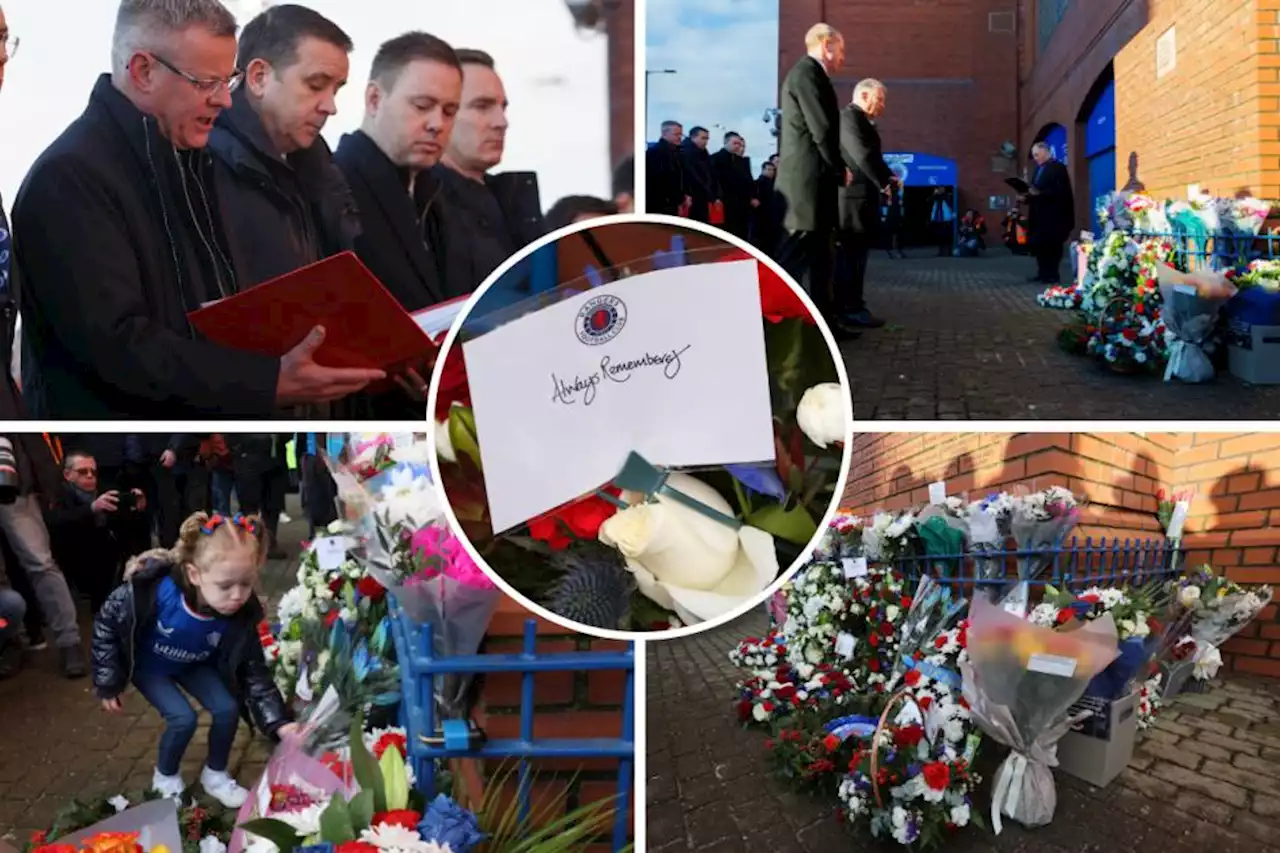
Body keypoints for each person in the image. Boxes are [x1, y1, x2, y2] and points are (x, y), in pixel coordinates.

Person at [12, 0, 384, 418]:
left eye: (228, 80)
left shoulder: (185, 158)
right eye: (207, 82)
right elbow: (117, 346)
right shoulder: (70, 178)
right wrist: (264, 381)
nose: (225, 100)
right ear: (144, 71)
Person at [92, 511, 299, 806]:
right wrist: (108, 680)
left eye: (247, 583)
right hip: (151, 667)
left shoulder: (242, 615)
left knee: (227, 709)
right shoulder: (152, 591)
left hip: (193, 663)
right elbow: (106, 625)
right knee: (183, 718)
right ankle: (165, 777)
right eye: (226, 586)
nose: (238, 596)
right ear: (194, 574)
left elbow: (255, 671)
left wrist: (279, 722)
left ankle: (215, 774)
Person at [206, 5, 358, 289]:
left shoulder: (318, 159)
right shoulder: (206, 162)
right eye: (316, 85)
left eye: (336, 90)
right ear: (259, 77)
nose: (330, 107)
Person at [334, 32, 462, 312]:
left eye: (450, 111)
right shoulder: (330, 189)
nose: (437, 124)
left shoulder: (439, 194)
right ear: (374, 99)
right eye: (422, 106)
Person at [436, 49, 546, 294]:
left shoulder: (513, 201)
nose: (501, 122)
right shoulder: (423, 207)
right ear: (442, 112)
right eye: (482, 106)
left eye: (502, 107)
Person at [774, 23, 848, 335]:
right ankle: (777, 327)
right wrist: (838, 165)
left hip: (814, 185)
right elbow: (822, 128)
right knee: (793, 260)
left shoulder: (811, 75)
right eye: (841, 50)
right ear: (826, 44)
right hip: (805, 187)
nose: (843, 58)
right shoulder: (806, 74)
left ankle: (824, 326)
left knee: (822, 259)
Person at [43, 449, 147, 615]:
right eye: (83, 472)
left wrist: (135, 506)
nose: (90, 476)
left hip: (101, 556)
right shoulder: (57, 494)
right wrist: (91, 509)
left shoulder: (104, 490)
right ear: (68, 474)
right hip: (69, 554)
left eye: (93, 472)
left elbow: (123, 525)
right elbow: (55, 521)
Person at [836, 79, 894, 329]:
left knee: (856, 254)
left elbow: (875, 157)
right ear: (864, 94)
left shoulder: (861, 121)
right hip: (852, 200)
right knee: (850, 255)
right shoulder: (849, 118)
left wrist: (889, 175)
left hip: (861, 198)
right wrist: (884, 183)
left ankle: (852, 305)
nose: (882, 105)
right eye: (879, 99)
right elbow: (862, 154)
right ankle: (849, 308)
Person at [1024, 142, 1075, 284]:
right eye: (1034, 155)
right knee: (1040, 246)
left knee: (1052, 247)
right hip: (1038, 217)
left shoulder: (1058, 168)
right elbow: (1034, 192)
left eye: (1037, 155)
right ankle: (1042, 273)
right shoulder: (1037, 170)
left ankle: (1052, 274)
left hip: (1053, 217)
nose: (1035, 158)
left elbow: (1061, 192)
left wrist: (1040, 193)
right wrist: (1026, 197)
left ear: (1045, 152)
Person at [710, 131, 755, 240]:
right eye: (735, 143)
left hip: (739, 205)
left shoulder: (739, 160)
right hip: (721, 203)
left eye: (740, 144)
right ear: (726, 142)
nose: (738, 147)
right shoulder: (714, 159)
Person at [645, 121, 688, 216]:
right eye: (676, 134)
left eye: (680, 134)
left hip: (673, 204)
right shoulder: (655, 153)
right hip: (661, 205)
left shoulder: (676, 152)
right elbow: (660, 181)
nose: (679, 137)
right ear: (665, 133)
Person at [678, 126, 719, 224]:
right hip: (692, 197)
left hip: (703, 197)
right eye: (703, 138)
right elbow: (690, 175)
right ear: (693, 137)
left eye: (707, 138)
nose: (706, 141)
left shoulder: (704, 153)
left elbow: (711, 174)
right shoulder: (685, 152)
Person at [881, 181, 905, 259]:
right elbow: (884, 207)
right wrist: (883, 218)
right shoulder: (885, 198)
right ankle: (890, 251)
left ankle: (899, 251)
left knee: (898, 235)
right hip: (889, 218)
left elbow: (901, 188)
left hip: (896, 217)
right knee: (889, 236)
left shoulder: (898, 195)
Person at [929, 187, 955, 256]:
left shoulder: (947, 196)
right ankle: (941, 251)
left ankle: (949, 251)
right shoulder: (936, 197)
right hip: (937, 219)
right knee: (940, 237)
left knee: (947, 236)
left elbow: (949, 201)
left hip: (946, 219)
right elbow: (930, 201)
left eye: (941, 188)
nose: (939, 190)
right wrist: (934, 194)